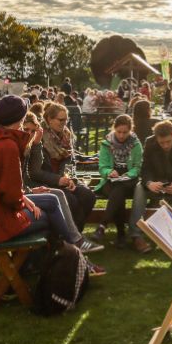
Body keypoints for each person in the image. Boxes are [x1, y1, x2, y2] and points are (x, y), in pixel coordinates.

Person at [0, 97, 103, 275]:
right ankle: (68, 262)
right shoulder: (6, 145)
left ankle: (74, 248)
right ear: (21, 117)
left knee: (55, 196)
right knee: (53, 217)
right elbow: (11, 195)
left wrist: (26, 195)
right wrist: (24, 200)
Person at [33, 103, 100, 243]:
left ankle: (75, 236)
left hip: (64, 179)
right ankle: (71, 238)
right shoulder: (39, 138)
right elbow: (36, 172)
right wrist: (58, 180)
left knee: (88, 196)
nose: (64, 123)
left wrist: (69, 179)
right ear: (49, 119)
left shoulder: (66, 136)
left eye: (66, 120)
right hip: (46, 182)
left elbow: (70, 161)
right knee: (72, 200)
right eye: (60, 120)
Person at [94, 114, 144, 249]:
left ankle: (103, 225)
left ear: (130, 130)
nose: (121, 135)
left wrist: (129, 174)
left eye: (125, 132)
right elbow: (102, 166)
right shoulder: (106, 143)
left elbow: (137, 167)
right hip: (111, 180)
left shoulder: (136, 144)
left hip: (129, 180)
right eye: (119, 132)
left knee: (120, 189)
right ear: (114, 129)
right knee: (118, 192)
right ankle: (120, 235)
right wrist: (109, 172)